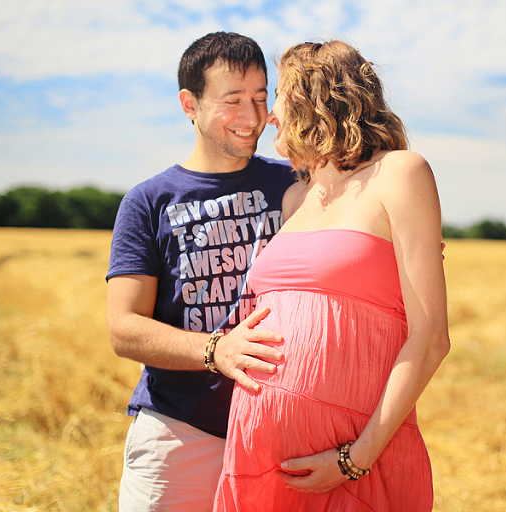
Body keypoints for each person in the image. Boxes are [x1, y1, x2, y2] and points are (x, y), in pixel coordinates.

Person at [214, 40, 450, 511]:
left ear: (313, 95)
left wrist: (354, 459)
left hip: (355, 462)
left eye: (276, 94)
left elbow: (430, 339)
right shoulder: (295, 199)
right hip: (259, 452)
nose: (270, 115)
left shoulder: (399, 173)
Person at [106, 32, 296, 512]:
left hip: (279, 436)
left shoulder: (296, 184)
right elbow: (124, 329)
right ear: (189, 104)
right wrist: (217, 350)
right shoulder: (148, 202)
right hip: (178, 434)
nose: (252, 117)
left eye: (260, 98)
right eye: (232, 100)